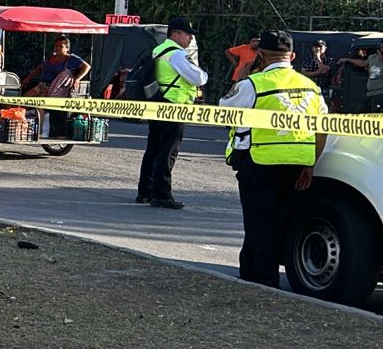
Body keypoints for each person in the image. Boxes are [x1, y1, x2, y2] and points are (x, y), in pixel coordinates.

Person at [220, 29, 327, 287]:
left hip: (260, 162)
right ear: (291, 55)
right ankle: (255, 272)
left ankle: (262, 281)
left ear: (261, 56)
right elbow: (322, 128)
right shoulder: (310, 87)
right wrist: (310, 164)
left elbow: (224, 111)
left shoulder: (253, 84)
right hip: (297, 165)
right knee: (277, 222)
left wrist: (245, 74)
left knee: (259, 224)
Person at [137, 16, 208, 210]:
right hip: (174, 107)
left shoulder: (159, 49)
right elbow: (199, 78)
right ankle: (161, 194)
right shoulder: (176, 54)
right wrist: (199, 69)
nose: (190, 40)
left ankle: (145, 191)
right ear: (175, 34)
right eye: (187, 35)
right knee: (168, 152)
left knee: (153, 148)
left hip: (159, 103)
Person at [22, 35, 90, 97]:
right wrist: (28, 78)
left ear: (67, 48)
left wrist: (77, 79)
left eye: (61, 46)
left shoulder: (71, 58)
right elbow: (39, 68)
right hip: (40, 86)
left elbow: (87, 67)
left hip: (55, 89)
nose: (57, 48)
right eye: (56, 46)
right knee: (23, 99)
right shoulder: (50, 57)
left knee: (39, 104)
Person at [338, 46, 383, 111]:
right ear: (378, 51)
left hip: (380, 93)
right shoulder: (372, 57)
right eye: (381, 52)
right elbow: (363, 63)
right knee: (361, 112)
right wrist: (347, 59)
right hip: (370, 93)